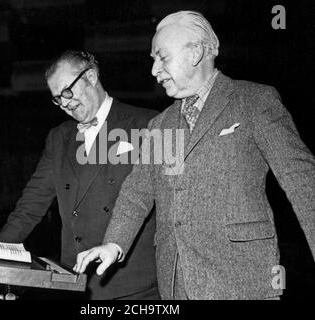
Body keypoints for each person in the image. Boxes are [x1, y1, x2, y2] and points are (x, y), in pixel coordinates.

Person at [74, 11, 315, 300]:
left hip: (243, 283)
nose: (154, 70)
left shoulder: (254, 102)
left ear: (196, 53)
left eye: (162, 57)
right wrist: (113, 244)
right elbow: (138, 192)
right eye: (153, 60)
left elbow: (302, 182)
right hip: (176, 285)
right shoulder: (161, 124)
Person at [0, 50, 159, 300]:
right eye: (57, 99)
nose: (65, 103)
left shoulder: (148, 124)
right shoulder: (58, 138)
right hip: (75, 283)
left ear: (91, 76)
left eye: (67, 92)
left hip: (134, 289)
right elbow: (32, 203)